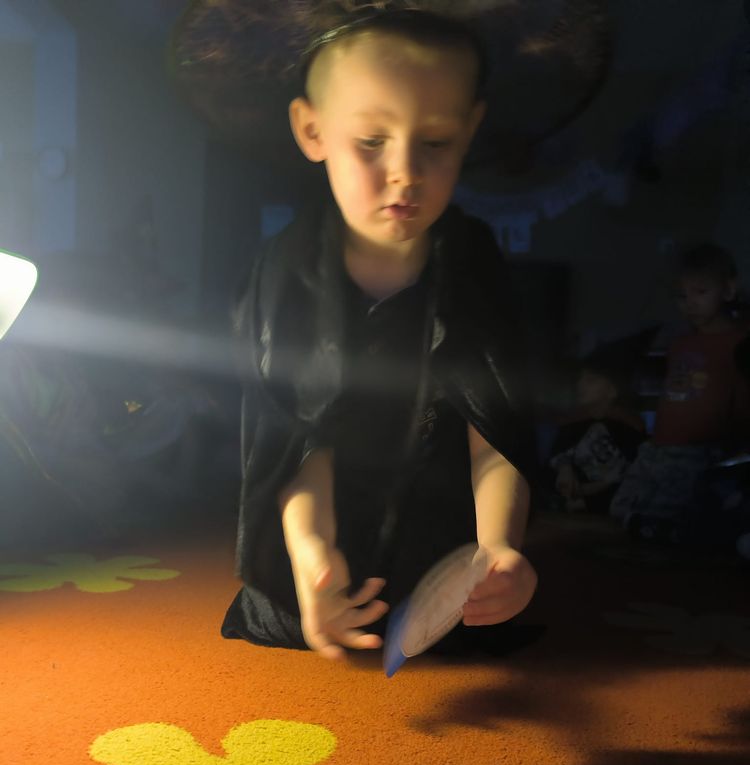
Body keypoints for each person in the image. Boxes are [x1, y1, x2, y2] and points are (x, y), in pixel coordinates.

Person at [220, 8, 538, 659]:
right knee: (293, 603)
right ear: (313, 129)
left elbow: (494, 432)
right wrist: (313, 557)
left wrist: (500, 547)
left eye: (436, 142)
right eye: (371, 141)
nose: (405, 171)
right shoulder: (288, 270)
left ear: (470, 128)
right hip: (319, 521)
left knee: (466, 610)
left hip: (438, 525)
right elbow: (295, 441)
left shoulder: (472, 262)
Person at [610, 242, 750, 541]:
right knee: (623, 504)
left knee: (675, 506)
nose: (690, 303)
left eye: (700, 292)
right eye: (682, 296)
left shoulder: (738, 343)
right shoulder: (681, 344)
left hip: (700, 449)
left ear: (727, 290)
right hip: (660, 444)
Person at [547, 359, 646, 514]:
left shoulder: (628, 427)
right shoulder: (573, 421)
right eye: (580, 379)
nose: (580, 384)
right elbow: (559, 452)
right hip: (567, 499)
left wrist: (589, 492)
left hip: (607, 505)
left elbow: (629, 471)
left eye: (591, 380)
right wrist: (564, 469)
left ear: (612, 390)